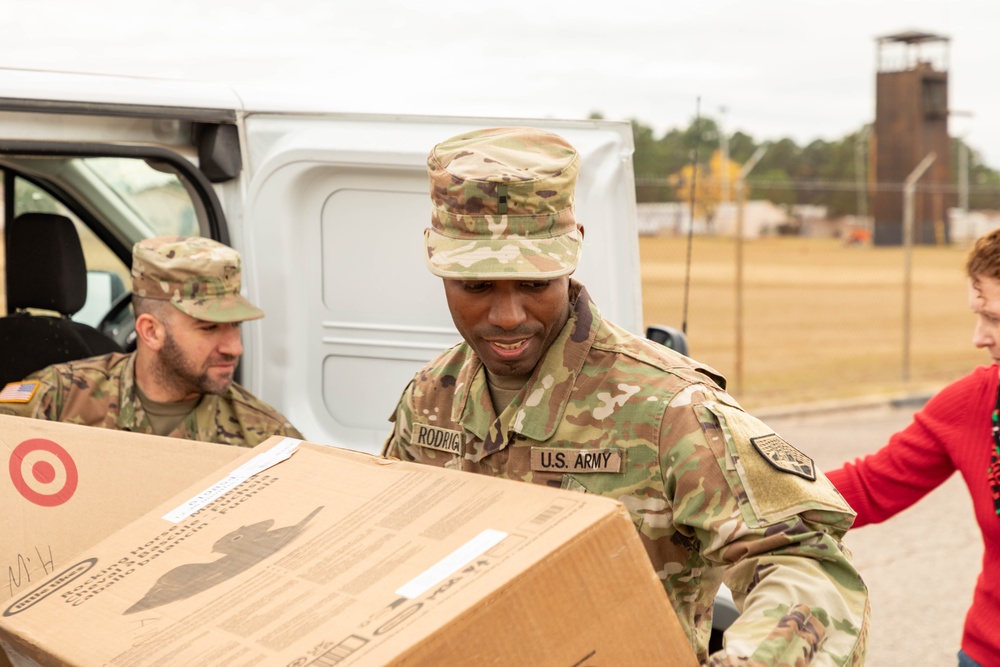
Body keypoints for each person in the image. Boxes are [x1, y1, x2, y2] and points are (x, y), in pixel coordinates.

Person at [382, 126, 869, 665]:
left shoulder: (668, 408)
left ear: (574, 252)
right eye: (477, 287)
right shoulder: (432, 397)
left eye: (535, 284)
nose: (508, 316)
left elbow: (806, 561)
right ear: (437, 262)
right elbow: (390, 546)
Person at [827, 227, 1000, 667]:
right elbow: (865, 488)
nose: (978, 338)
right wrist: (738, 487)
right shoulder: (972, 403)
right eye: (978, 316)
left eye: (995, 319)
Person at [0, 235, 303, 447]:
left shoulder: (265, 438)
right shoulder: (56, 400)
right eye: (209, 328)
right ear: (151, 332)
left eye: (235, 325)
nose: (234, 347)